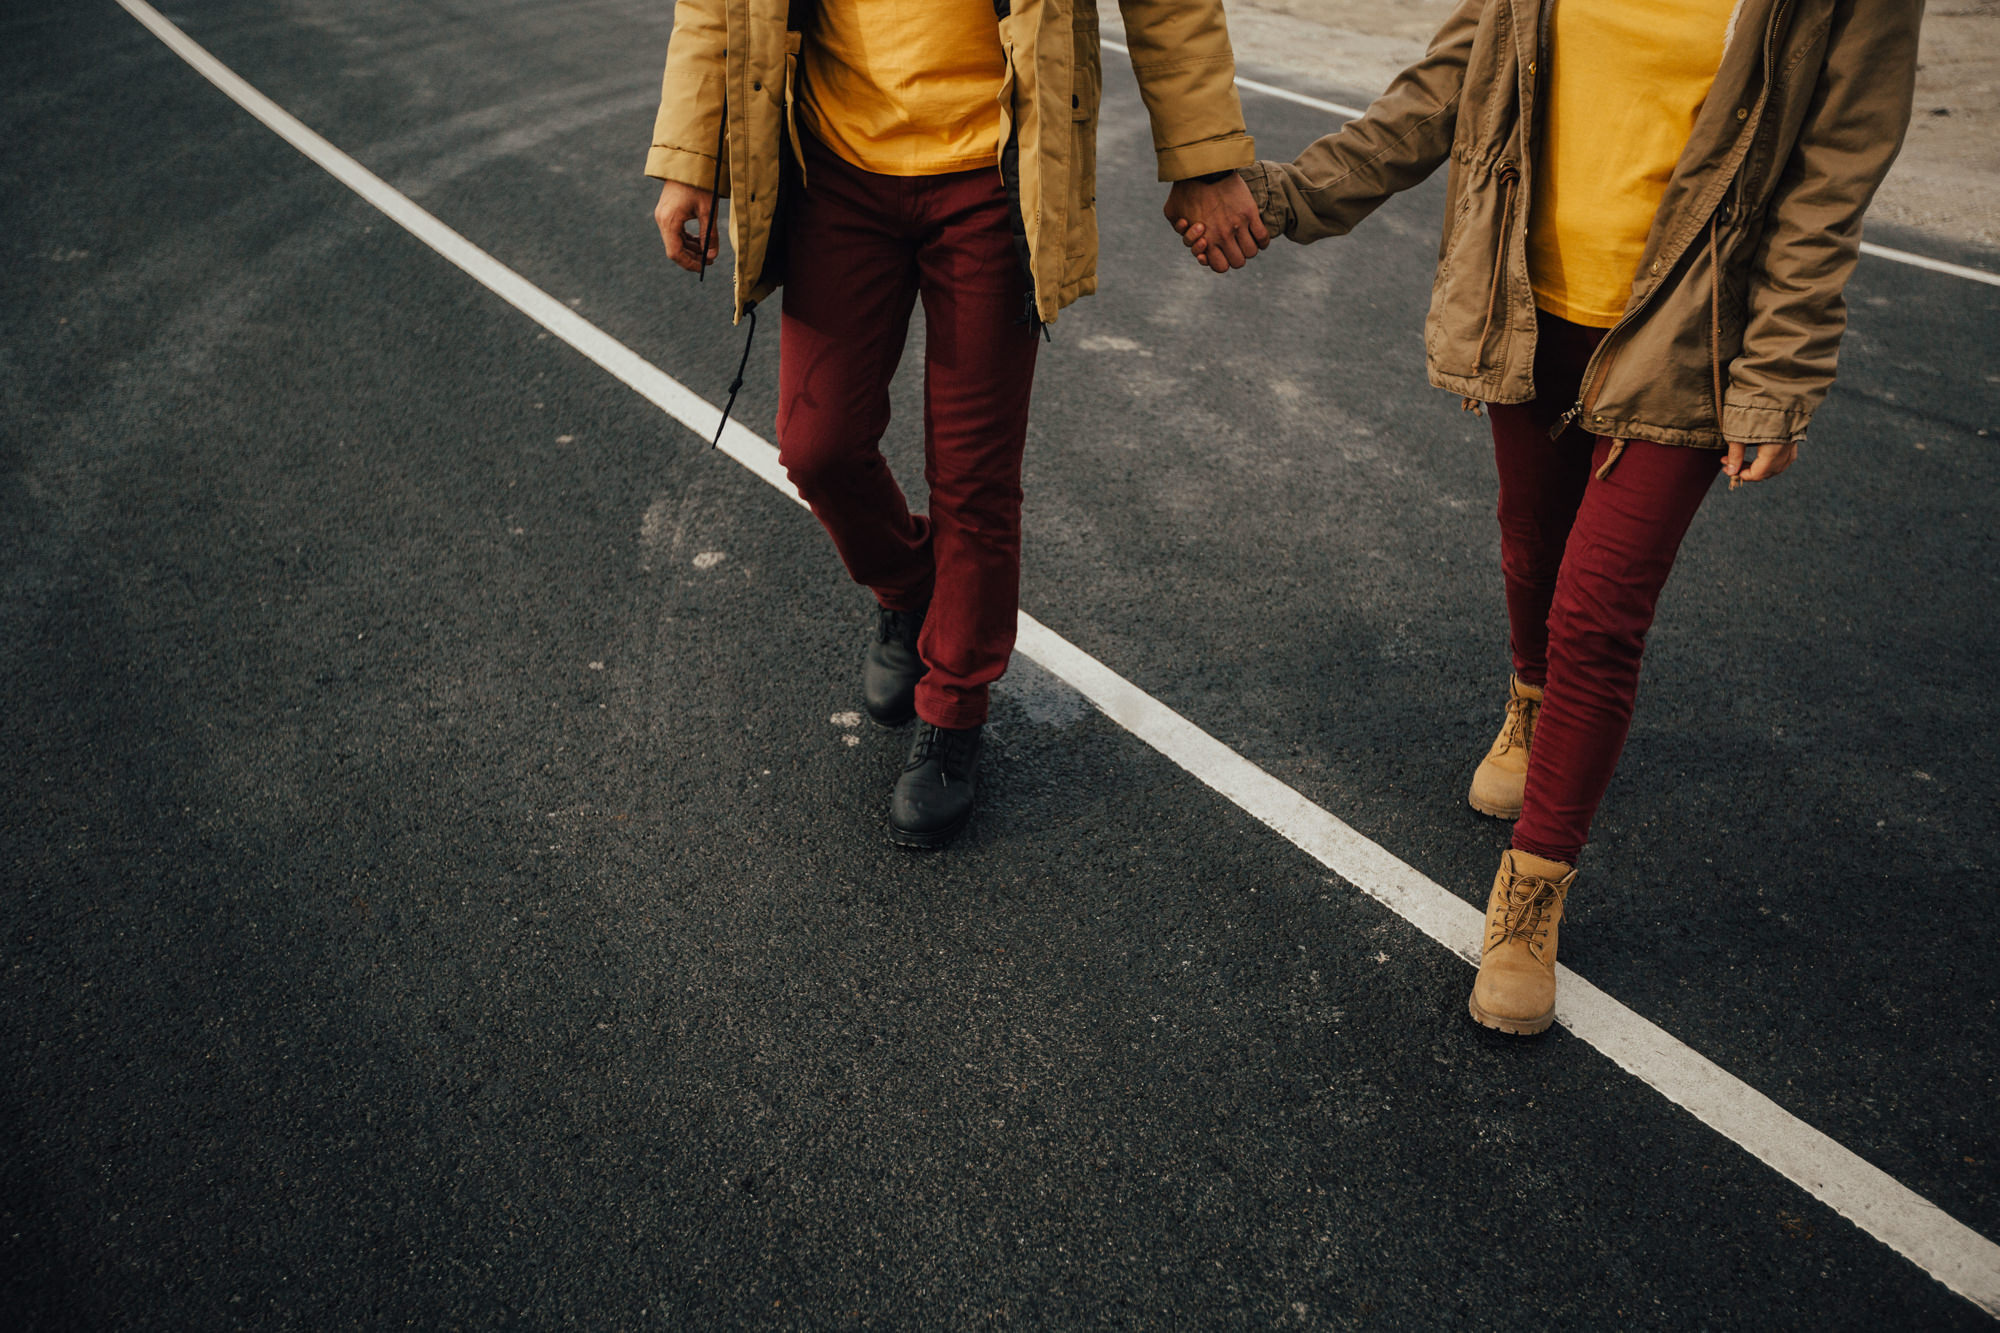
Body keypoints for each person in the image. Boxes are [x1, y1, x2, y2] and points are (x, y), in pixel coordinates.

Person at [1184, 0, 1922, 1032]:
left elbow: (1826, 184)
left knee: (1599, 610)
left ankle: (1531, 889)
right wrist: (1284, 197)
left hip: (1685, 329)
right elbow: (1443, 88)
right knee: (1530, 547)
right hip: (1525, 296)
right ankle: (1529, 704)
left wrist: (1779, 376)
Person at [649, 0, 1270, 847]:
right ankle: (912, 592)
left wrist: (1202, 155)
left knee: (973, 478)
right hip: (836, 163)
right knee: (817, 444)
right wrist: (692, 155)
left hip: (996, 172)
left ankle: (952, 713)